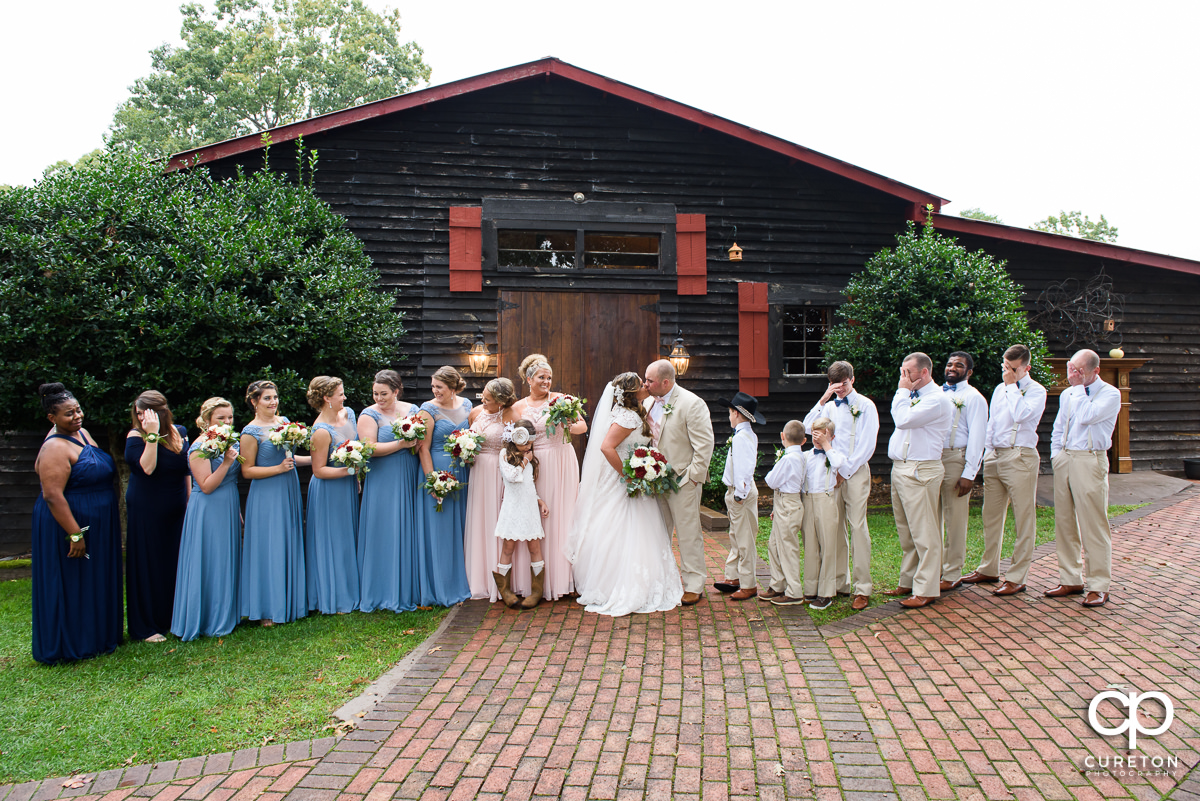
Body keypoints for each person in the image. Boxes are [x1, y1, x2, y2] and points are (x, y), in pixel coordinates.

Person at [567, 372, 683, 616]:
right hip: (622, 478)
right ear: (631, 393)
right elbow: (606, 447)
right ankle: (618, 584)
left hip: (632, 473)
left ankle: (639, 579)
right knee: (621, 526)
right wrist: (627, 475)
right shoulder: (628, 416)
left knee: (634, 527)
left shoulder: (633, 412)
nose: (645, 386)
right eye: (641, 384)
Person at [31, 383, 122, 664]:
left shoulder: (81, 433)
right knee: (73, 581)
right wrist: (74, 534)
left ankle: (98, 636)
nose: (77, 416)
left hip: (98, 519)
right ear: (52, 419)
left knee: (93, 578)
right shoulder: (54, 448)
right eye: (69, 414)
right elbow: (52, 495)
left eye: (78, 409)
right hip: (70, 521)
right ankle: (73, 643)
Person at [962, 344, 1048, 596]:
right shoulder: (1000, 389)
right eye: (1004, 367)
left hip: (1019, 455)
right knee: (991, 515)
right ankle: (989, 568)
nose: (1006, 372)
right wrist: (987, 453)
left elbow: (1021, 415)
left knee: (1023, 517)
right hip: (996, 456)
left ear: (1026, 368)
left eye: (1012, 369)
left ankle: (1017, 576)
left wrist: (1011, 386)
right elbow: (993, 423)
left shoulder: (1036, 391)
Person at [1048, 349, 1121, 607]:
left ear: (1095, 371)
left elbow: (1087, 416)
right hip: (1066, 458)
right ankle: (1070, 578)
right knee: (1065, 521)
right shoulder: (1068, 394)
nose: (1072, 375)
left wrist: (1078, 388)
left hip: (1091, 458)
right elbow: (1059, 426)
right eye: (1071, 369)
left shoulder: (1111, 394)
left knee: (1093, 523)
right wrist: (1056, 455)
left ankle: (1099, 585)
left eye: (1078, 370)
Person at [803, 360, 879, 611]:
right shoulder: (828, 405)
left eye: (844, 385)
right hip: (830, 473)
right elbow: (806, 427)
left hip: (854, 471)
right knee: (833, 530)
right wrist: (823, 399)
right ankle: (839, 582)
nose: (841, 390)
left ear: (852, 380)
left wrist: (844, 472)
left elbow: (867, 446)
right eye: (836, 386)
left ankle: (862, 588)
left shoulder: (866, 405)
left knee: (858, 527)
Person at [512, 353, 587, 601]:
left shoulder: (562, 400)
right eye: (542, 377)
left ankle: (563, 577)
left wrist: (567, 423)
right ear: (529, 379)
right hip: (537, 463)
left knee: (563, 516)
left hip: (563, 460)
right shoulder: (518, 407)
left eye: (549, 377)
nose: (547, 381)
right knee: (537, 516)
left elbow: (582, 427)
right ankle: (536, 580)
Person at [643, 359, 715, 606]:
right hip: (653, 480)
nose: (645, 384)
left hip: (683, 481)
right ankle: (662, 579)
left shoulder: (692, 404)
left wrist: (693, 478)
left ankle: (694, 584)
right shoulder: (648, 402)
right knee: (657, 533)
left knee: (688, 534)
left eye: (649, 381)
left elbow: (704, 445)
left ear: (665, 382)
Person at [884, 352, 953, 609]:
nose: (904, 377)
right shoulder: (914, 396)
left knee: (925, 531)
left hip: (921, 470)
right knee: (906, 530)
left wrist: (901, 392)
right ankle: (909, 579)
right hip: (902, 467)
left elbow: (902, 420)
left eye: (908, 372)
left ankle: (926, 588)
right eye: (903, 372)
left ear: (924, 372)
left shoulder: (936, 400)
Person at [171, 397, 242, 641]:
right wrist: (227, 462)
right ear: (207, 421)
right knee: (209, 559)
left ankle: (226, 615)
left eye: (230, 417)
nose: (227, 422)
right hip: (208, 508)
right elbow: (207, 485)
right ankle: (207, 619)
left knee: (225, 558)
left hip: (229, 505)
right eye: (220, 418)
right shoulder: (200, 447)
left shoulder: (227, 441)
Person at [240, 380, 308, 626]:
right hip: (266, 494)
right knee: (269, 545)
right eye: (267, 398)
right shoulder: (250, 432)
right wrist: (278, 469)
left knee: (287, 539)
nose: (273, 402)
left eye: (275, 397)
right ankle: (267, 608)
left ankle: (291, 601)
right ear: (254, 402)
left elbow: (290, 458)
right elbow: (247, 471)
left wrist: (318, 459)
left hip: (287, 489)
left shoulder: (285, 423)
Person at [125, 390, 190, 642]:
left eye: (146, 413)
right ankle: (146, 627)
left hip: (176, 505)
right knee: (149, 563)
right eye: (138, 414)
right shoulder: (136, 436)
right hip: (146, 508)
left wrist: (188, 500)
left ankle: (173, 616)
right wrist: (151, 434)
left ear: (161, 411)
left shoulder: (180, 431)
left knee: (173, 561)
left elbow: (185, 470)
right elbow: (148, 468)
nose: (141, 418)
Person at [357, 369, 424, 613]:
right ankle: (381, 590)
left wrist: (414, 446)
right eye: (375, 393)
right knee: (384, 527)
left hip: (407, 472)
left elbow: (420, 441)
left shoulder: (412, 410)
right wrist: (401, 444)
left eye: (384, 393)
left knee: (407, 525)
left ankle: (410, 588)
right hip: (383, 477)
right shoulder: (368, 415)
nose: (379, 398)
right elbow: (369, 448)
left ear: (396, 391)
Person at [415, 366, 472, 607]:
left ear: (452, 388)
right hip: (439, 469)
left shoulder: (468, 405)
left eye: (439, 387)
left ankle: (468, 580)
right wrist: (433, 481)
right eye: (433, 386)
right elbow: (422, 447)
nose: (435, 390)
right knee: (441, 529)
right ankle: (442, 586)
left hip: (464, 470)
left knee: (464, 526)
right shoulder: (427, 410)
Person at [464, 378, 524, 602]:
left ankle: (503, 579)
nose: (483, 401)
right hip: (478, 473)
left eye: (488, 399)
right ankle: (478, 577)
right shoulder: (476, 412)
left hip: (500, 474)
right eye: (483, 396)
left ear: (500, 401)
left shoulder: (512, 416)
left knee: (499, 520)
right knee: (480, 520)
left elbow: (522, 449)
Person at [305, 376, 360, 614]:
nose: (344, 397)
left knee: (348, 537)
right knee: (334, 540)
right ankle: (335, 596)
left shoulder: (348, 414)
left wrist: (355, 476)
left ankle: (351, 589)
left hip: (347, 486)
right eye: (340, 394)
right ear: (327, 398)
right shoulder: (320, 431)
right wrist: (350, 470)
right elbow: (318, 470)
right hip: (329, 491)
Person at [938, 352, 988, 591]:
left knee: (955, 518)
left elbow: (978, 437)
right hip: (933, 460)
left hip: (956, 458)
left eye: (959, 365)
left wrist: (970, 473)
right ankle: (933, 568)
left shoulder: (974, 397)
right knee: (931, 518)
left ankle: (953, 572)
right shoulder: (936, 393)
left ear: (968, 372)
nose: (952, 368)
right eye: (949, 364)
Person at [493, 420, 551, 609]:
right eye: (524, 442)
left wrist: (539, 500)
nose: (527, 446)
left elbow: (528, 485)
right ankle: (505, 591)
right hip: (512, 507)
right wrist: (526, 459)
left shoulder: (531, 458)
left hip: (528, 508)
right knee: (508, 548)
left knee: (535, 547)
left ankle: (536, 591)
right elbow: (512, 477)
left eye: (530, 443)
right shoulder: (504, 454)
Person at [715, 391, 762, 601]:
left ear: (735, 413)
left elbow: (745, 468)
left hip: (740, 492)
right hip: (736, 491)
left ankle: (748, 583)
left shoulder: (742, 438)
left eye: (729, 412)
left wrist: (739, 495)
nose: (728, 416)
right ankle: (733, 576)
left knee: (744, 539)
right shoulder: (744, 435)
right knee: (736, 535)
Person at [800, 418, 844, 610]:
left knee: (828, 545)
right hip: (808, 500)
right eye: (815, 434)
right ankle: (810, 587)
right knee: (810, 545)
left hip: (826, 500)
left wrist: (826, 445)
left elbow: (838, 463)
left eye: (822, 434)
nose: (817, 438)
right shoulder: (806, 456)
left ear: (831, 436)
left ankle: (826, 592)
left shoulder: (834, 455)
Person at [762, 421, 807, 605]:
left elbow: (771, 481)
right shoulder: (801, 456)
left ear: (782, 436)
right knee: (774, 544)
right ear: (804, 441)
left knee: (787, 547)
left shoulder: (789, 459)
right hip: (785, 502)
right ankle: (777, 583)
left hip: (788, 502)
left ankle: (794, 591)